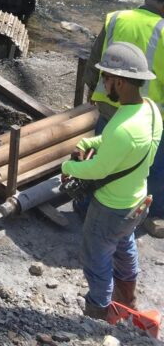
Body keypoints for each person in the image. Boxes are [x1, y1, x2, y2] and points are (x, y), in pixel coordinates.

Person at [62, 42, 162, 320]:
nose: (103, 85)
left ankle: (98, 315)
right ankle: (128, 299)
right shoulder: (150, 110)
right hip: (137, 201)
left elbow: (97, 169)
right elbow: (115, 144)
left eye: (105, 79)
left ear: (119, 81)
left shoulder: (123, 129)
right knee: (123, 245)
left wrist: (67, 165)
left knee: (95, 258)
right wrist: (88, 141)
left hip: (110, 208)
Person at [84, 0, 164, 238]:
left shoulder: (116, 18)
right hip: (148, 116)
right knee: (153, 166)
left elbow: (95, 61)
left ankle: (87, 204)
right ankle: (153, 213)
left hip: (110, 106)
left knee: (101, 157)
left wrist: (92, 92)